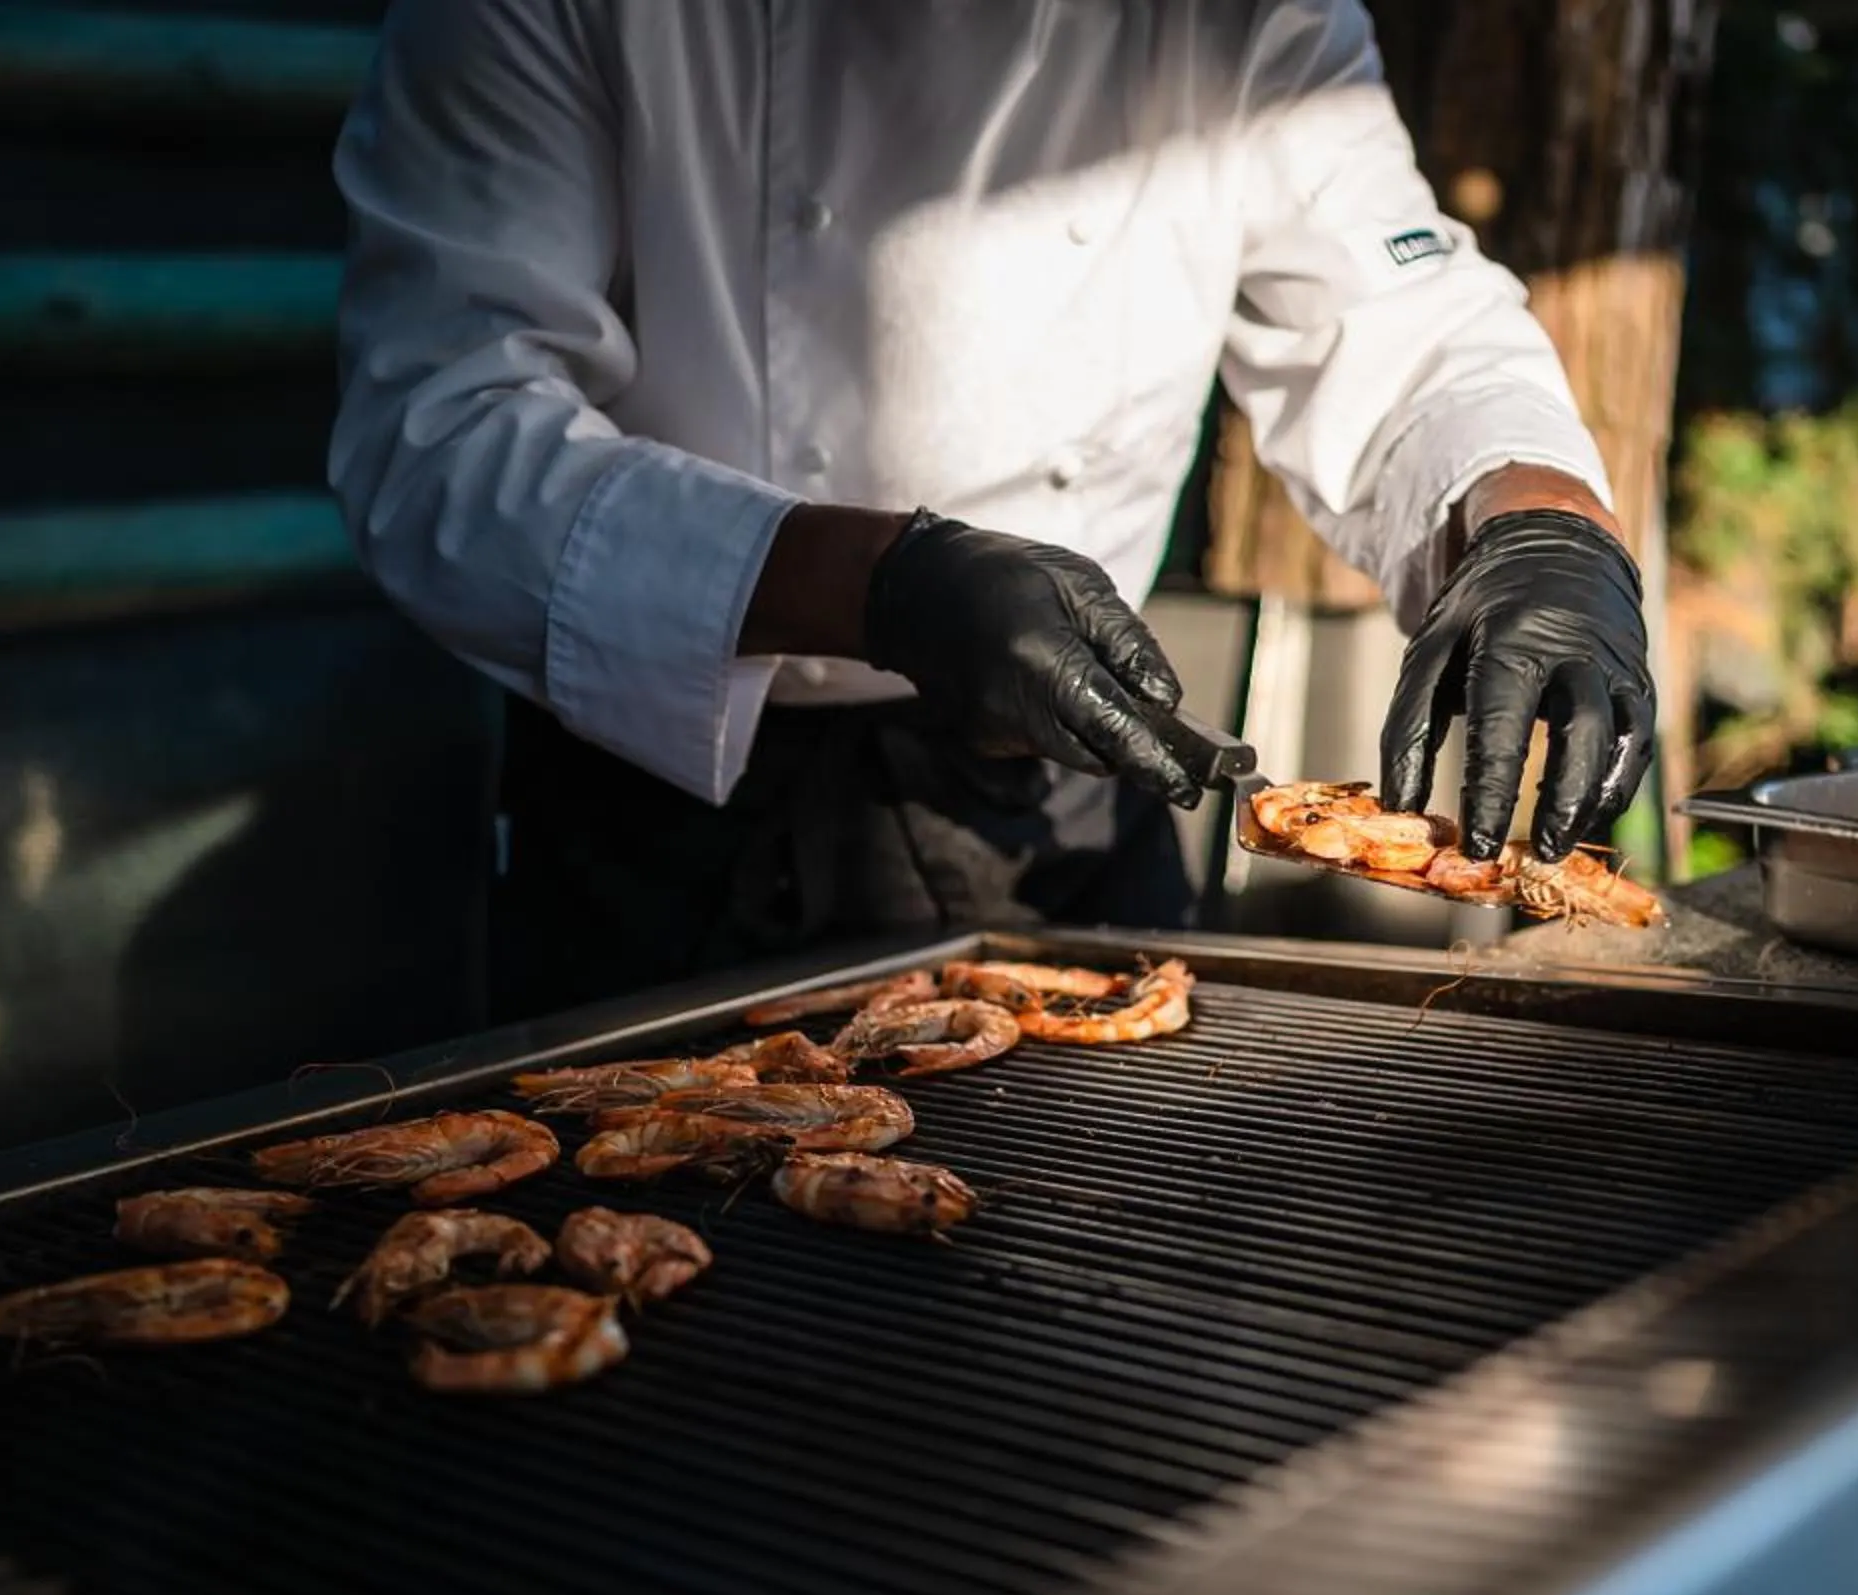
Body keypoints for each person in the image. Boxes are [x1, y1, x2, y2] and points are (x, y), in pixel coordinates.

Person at [332, 0, 1654, 1020]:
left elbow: (1403, 316)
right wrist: (879, 584)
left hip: (1073, 805)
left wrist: (1541, 528)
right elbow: (440, 427)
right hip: (670, 819)